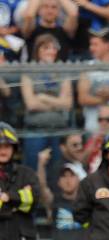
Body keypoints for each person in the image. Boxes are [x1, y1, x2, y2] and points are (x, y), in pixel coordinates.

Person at [20, 34, 73, 170]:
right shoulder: (28, 70)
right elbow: (31, 104)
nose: (51, 51)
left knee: (57, 172)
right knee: (33, 170)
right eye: (46, 47)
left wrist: (44, 98)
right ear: (38, 50)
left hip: (58, 130)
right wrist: (57, 103)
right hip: (35, 130)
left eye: (54, 48)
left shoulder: (62, 70)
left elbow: (67, 103)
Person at [0, 122, 40, 240]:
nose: (3, 150)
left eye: (7, 146)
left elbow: (34, 201)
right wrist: (19, 199)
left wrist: (8, 197)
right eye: (0, 146)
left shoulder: (27, 173)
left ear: (14, 148)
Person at [42, 163, 86, 240]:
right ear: (58, 182)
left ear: (79, 179)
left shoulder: (87, 202)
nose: (68, 180)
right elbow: (42, 187)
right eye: (64, 176)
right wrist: (41, 164)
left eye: (72, 176)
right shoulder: (54, 202)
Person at [83, 104, 109, 173]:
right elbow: (82, 162)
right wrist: (93, 144)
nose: (104, 123)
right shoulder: (93, 140)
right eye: (100, 120)